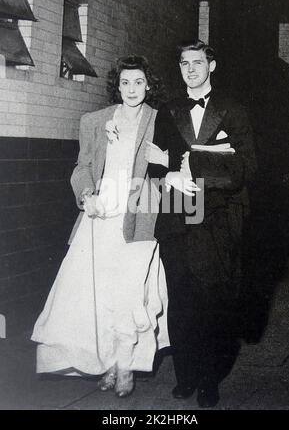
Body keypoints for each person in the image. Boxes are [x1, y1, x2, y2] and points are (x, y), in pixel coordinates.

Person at [31, 55, 169, 398]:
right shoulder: (94, 120)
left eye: (139, 82)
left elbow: (173, 167)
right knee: (96, 293)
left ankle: (125, 366)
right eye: (125, 82)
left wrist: (164, 163)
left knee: (130, 293)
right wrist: (87, 195)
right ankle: (105, 362)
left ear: (149, 85)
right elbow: (83, 167)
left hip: (140, 216)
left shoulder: (161, 120)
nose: (132, 89)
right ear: (116, 85)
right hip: (100, 216)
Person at [146, 40, 256, 407]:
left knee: (213, 301)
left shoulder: (234, 111)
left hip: (218, 219)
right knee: (181, 300)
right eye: (183, 63)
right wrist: (169, 178)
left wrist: (192, 164)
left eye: (197, 62)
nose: (190, 69)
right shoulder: (167, 110)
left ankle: (210, 379)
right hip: (177, 217)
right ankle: (186, 375)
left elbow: (245, 167)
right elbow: (153, 163)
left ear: (212, 65)